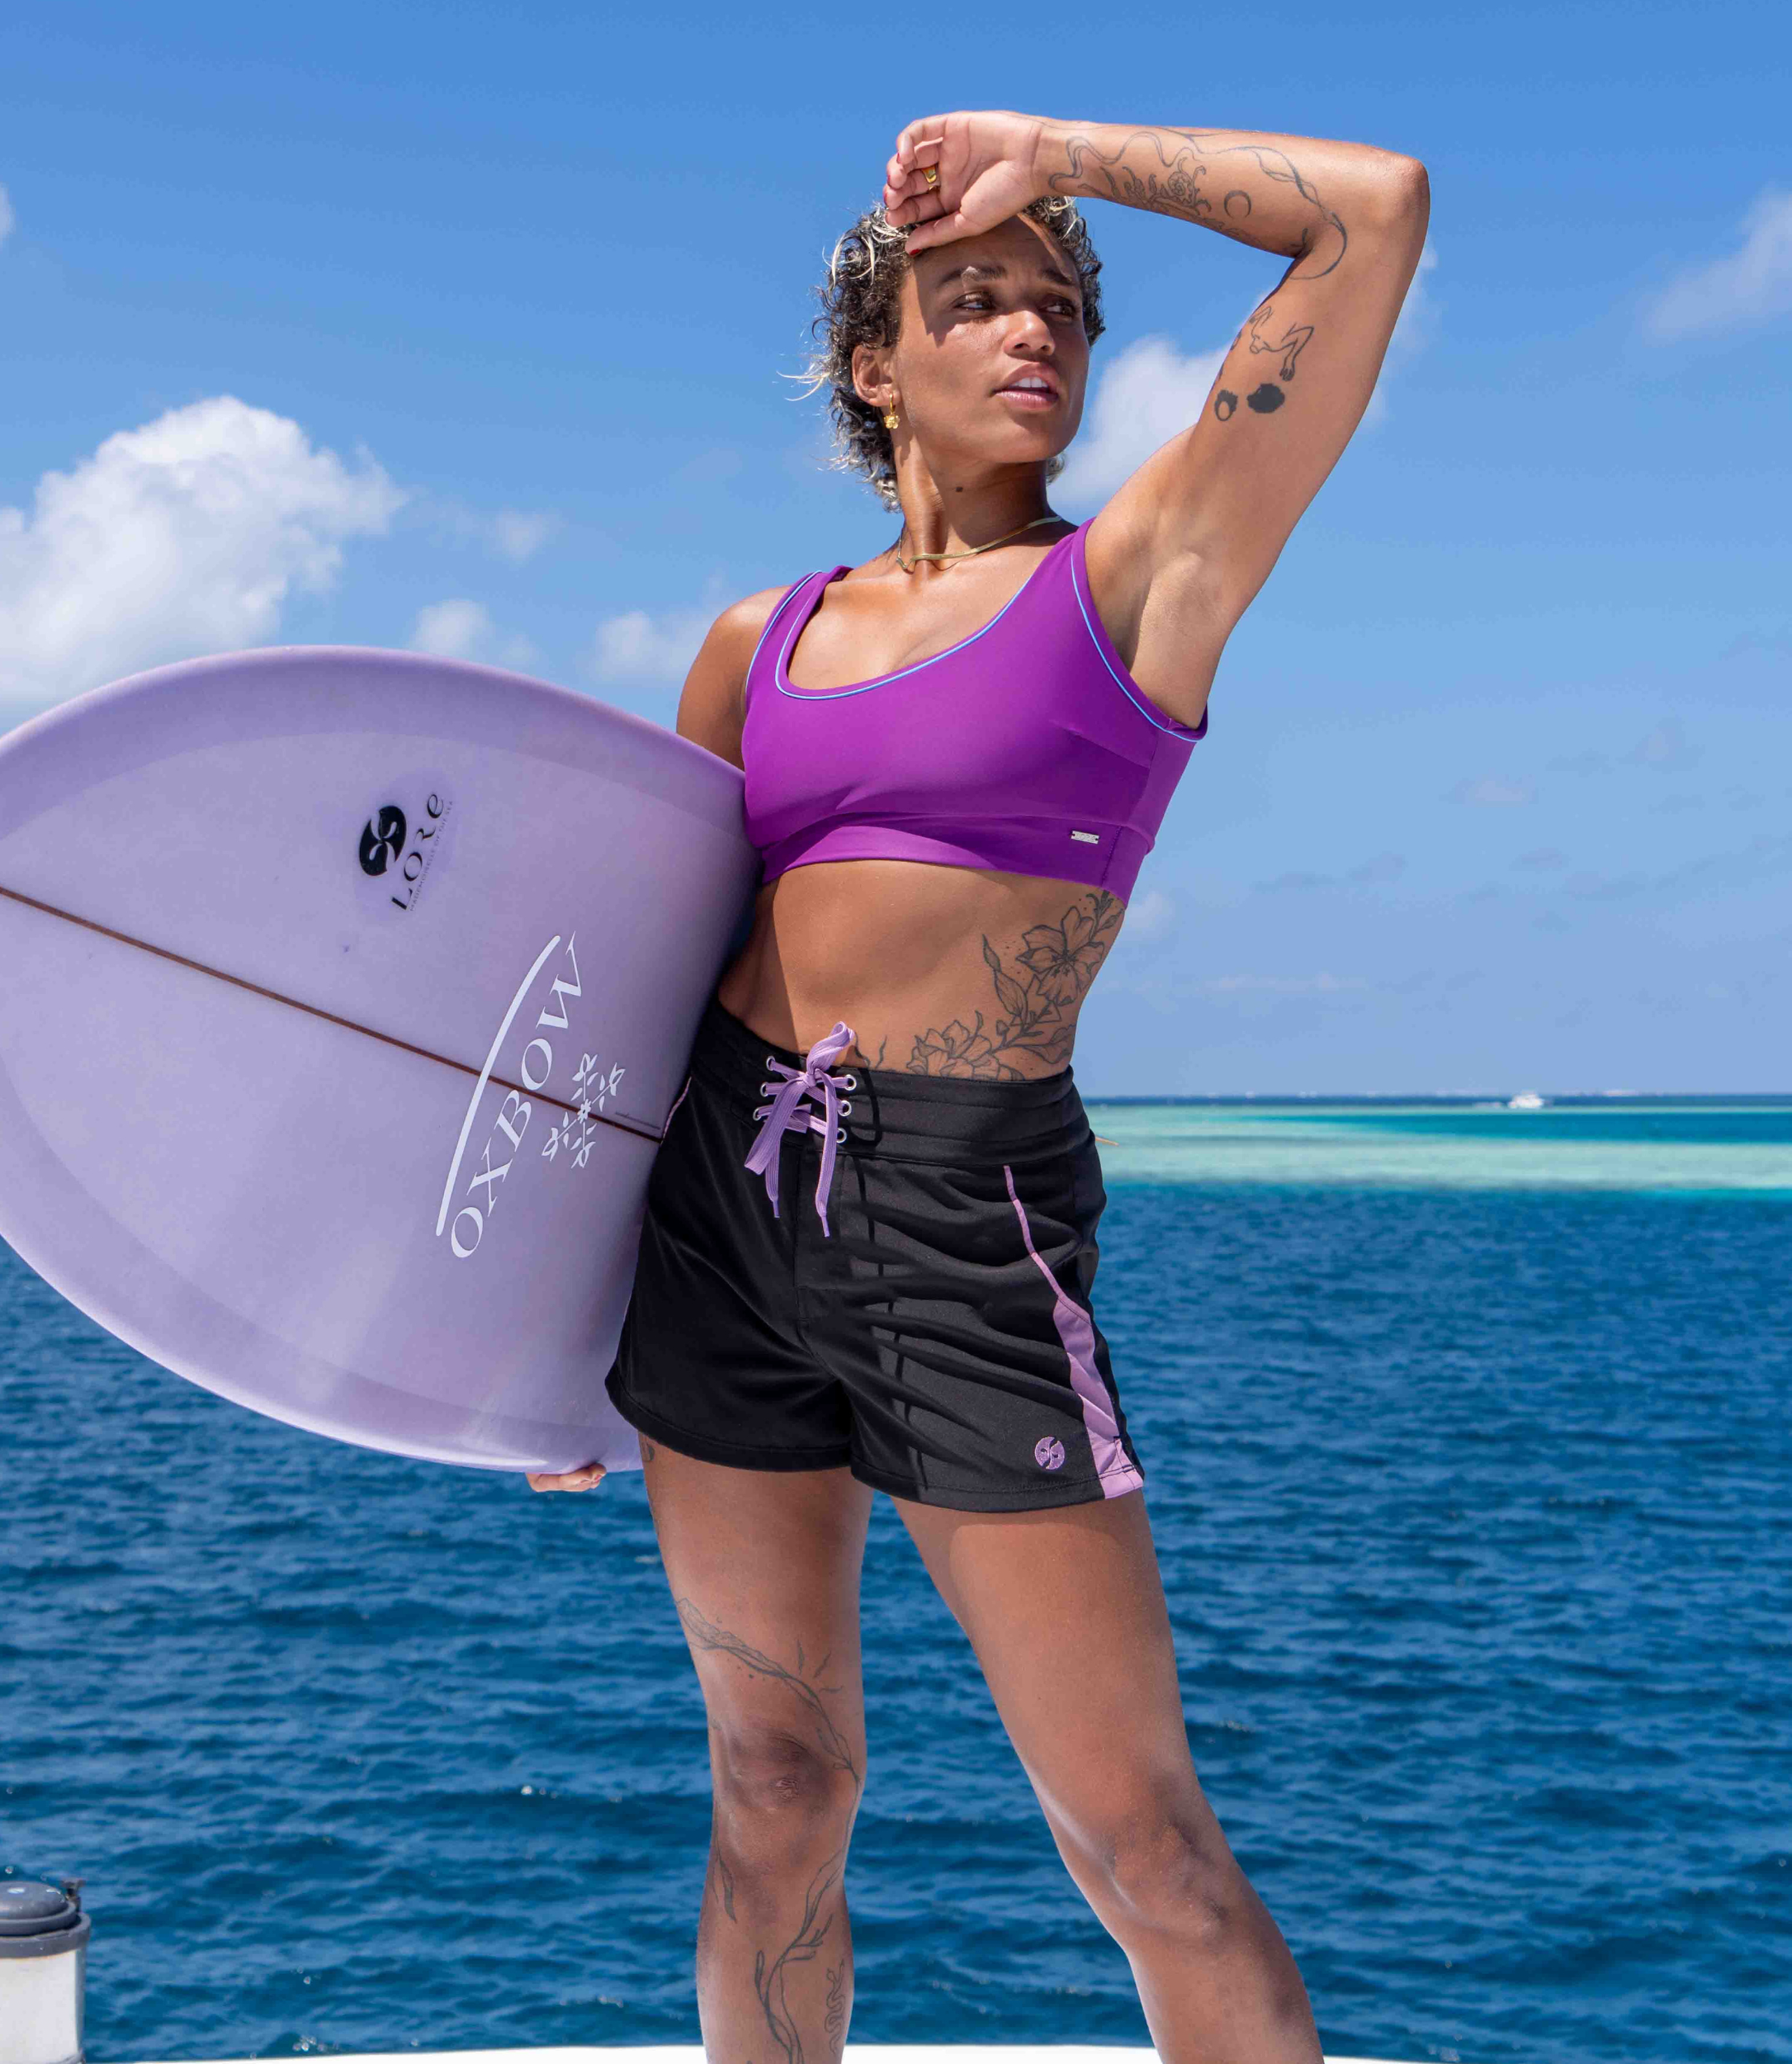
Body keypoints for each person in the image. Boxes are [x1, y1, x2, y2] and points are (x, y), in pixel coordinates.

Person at [532, 110, 1430, 2064]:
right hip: (716, 1209)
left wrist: (1054, 163)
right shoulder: (751, 644)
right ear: (877, 367)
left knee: (1138, 1841)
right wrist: (516, 1332)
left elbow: (1372, 216)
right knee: (773, 1784)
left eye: (1053, 305)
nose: (1028, 329)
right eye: (972, 299)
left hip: (960, 1215)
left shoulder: (1139, 573)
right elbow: (611, 1008)